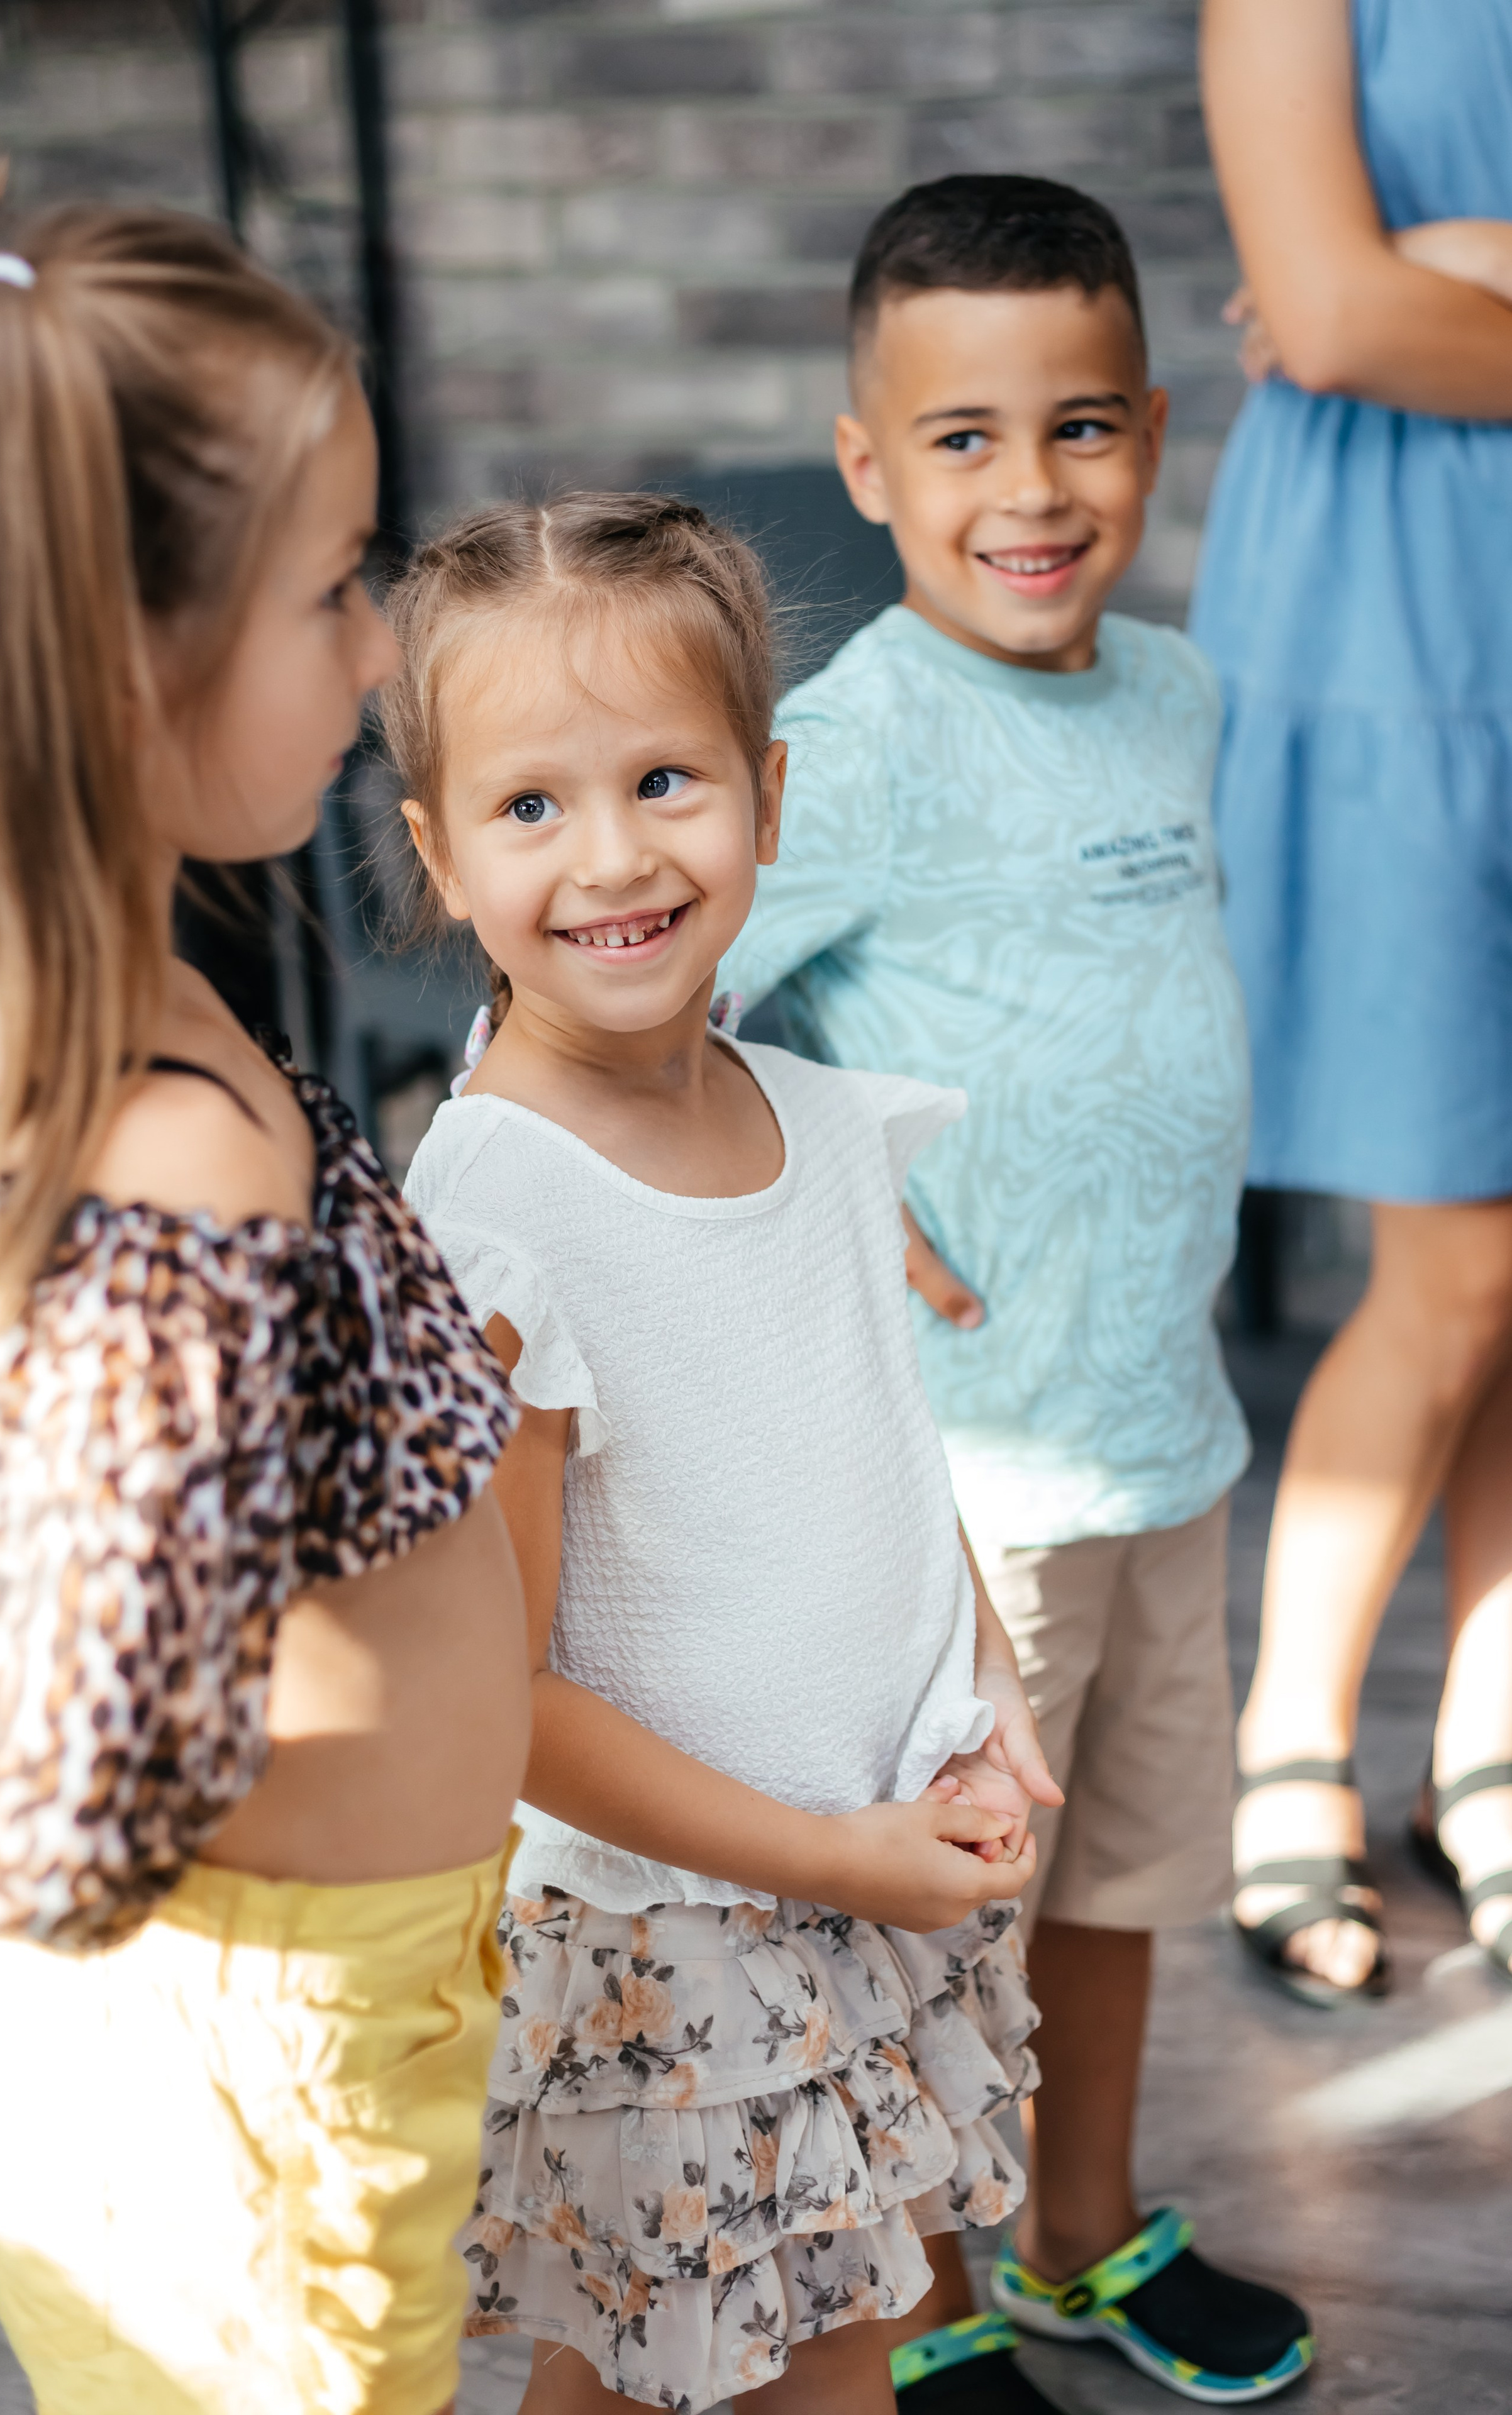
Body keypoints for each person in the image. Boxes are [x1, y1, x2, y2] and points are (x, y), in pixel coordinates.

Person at [0, 179, 529, 2415]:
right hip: (248, 2084)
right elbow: (82, 1806)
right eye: (332, 587)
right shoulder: (154, 1137)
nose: (376, 651)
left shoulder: (26, 984)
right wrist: (12, 1725)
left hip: (275, 2025)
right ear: (113, 662)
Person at [718, 175, 1314, 2404]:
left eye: (1081, 425)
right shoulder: (858, 740)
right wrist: (829, 1182)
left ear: (1153, 430)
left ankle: (1076, 2238)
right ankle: (926, 2300)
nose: (1032, 489)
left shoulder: (1174, 695)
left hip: (1162, 1426)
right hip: (969, 1484)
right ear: (868, 466)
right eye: (962, 439)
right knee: (955, 1909)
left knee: (1124, 1876)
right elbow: (658, 996)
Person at [388, 491, 1058, 2415]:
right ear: (440, 853)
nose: (612, 857)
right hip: (671, 1934)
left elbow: (878, 1442)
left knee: (765, 2352)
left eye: (666, 781)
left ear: (768, 794)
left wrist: (987, 1689)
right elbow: (502, 1697)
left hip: (860, 1868)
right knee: (736, 2373)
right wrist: (829, 1855)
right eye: (531, 806)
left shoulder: (821, 1122)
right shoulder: (499, 1216)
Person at [1194, 0, 1512, 2002]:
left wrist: (1468, 278)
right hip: (1399, 609)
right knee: (1454, 1263)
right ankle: (1291, 1738)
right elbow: (1326, 315)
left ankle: (1487, 1741)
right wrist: (1398, 293)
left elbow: (1376, 306)